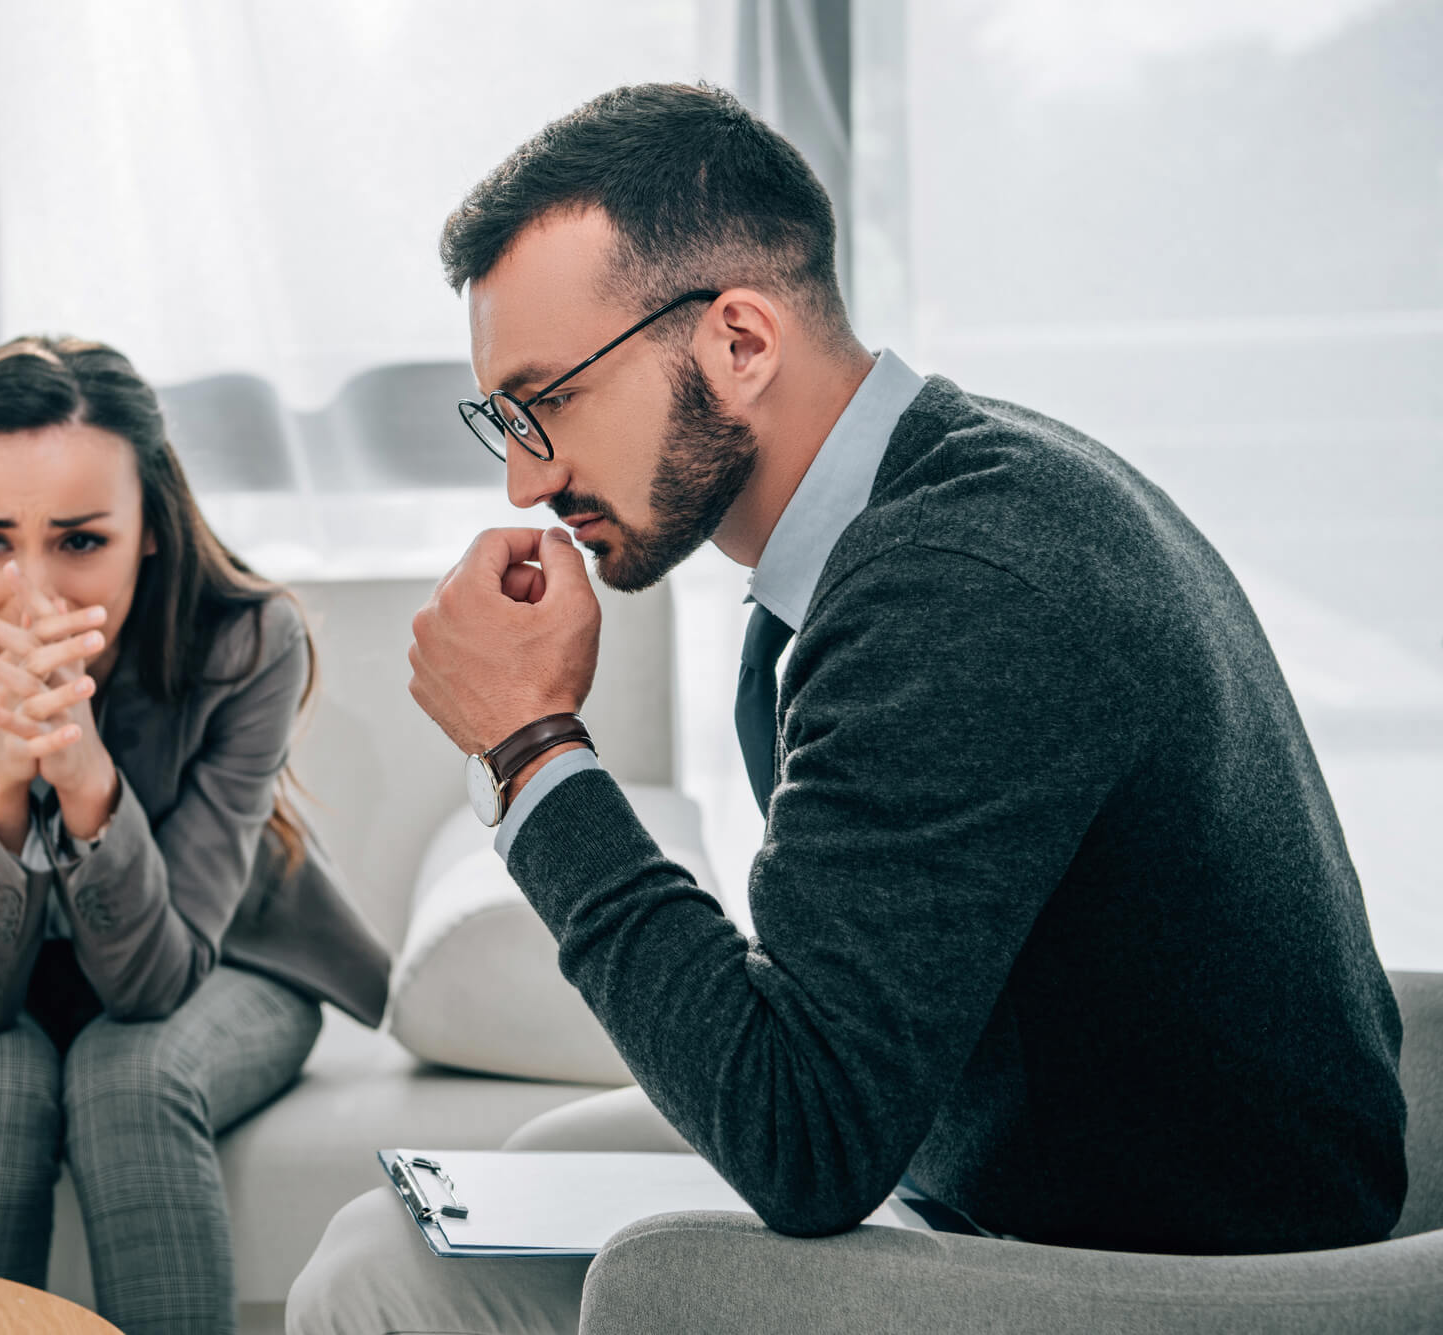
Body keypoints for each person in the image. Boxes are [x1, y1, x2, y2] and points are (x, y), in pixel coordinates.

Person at [287, 82, 1405, 1334]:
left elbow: (802, 1140)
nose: (524, 475)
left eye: (548, 402)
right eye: (503, 416)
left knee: (385, 1270)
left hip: (1161, 1276)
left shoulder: (958, 585)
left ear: (739, 343)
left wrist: (530, 747)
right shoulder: (925, 501)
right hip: (983, 1170)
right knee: (439, 1204)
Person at [0, 334, 391, 1335]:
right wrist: (1, 789)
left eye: (78, 540)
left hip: (225, 952)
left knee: (129, 1073)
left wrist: (87, 778)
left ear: (150, 523)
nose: (34, 596)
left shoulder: (248, 641)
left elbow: (152, 986)